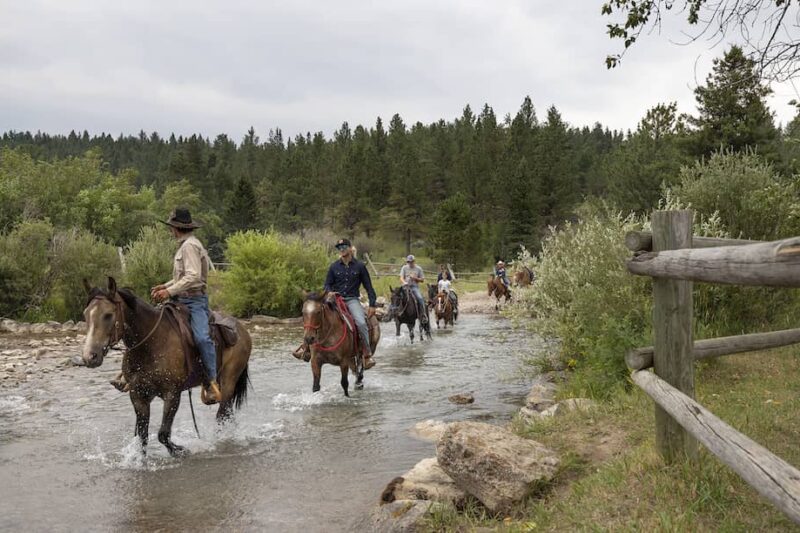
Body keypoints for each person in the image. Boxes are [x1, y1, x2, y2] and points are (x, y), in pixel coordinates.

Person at [399, 255, 428, 325]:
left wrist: (415, 278)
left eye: (411, 262)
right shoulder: (404, 268)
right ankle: (392, 313)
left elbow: (422, 279)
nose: (410, 263)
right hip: (405, 286)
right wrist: (404, 282)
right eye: (409, 262)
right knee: (396, 296)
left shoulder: (418, 269)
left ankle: (423, 314)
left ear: (414, 261)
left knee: (420, 298)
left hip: (414, 286)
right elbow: (401, 277)